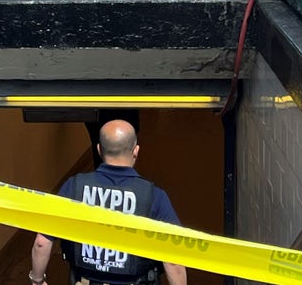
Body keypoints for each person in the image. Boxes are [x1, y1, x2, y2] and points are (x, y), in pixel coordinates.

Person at [30, 121, 188, 285]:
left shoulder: (73, 186)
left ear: (99, 150)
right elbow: (173, 260)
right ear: (136, 151)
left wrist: (37, 280)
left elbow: (42, 243)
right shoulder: (154, 196)